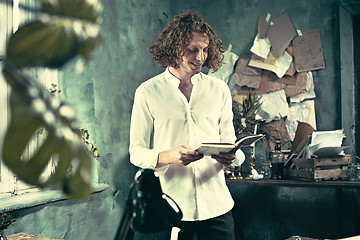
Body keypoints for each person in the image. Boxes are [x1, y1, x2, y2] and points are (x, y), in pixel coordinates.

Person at [129, 11, 245, 240]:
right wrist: (169, 156)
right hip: (170, 208)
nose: (200, 57)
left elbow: (232, 145)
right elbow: (136, 152)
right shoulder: (147, 92)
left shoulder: (219, 90)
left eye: (204, 49)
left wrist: (232, 157)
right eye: (193, 49)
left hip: (217, 207)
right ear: (174, 47)